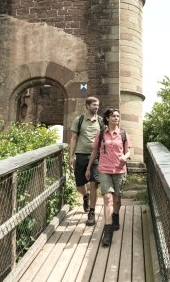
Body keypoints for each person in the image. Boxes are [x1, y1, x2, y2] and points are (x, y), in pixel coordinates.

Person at [85, 108, 131, 247]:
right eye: (113, 116)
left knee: (117, 199)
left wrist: (125, 157)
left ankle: (115, 216)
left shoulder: (123, 134)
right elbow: (94, 151)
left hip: (119, 170)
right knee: (107, 198)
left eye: (118, 116)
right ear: (107, 118)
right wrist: (88, 168)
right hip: (104, 170)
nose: (116, 118)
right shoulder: (101, 134)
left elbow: (128, 151)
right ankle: (108, 232)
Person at [68, 96, 102, 226]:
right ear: (87, 105)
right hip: (81, 155)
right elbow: (74, 138)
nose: (96, 107)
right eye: (94, 104)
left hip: (97, 157)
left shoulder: (100, 121)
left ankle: (92, 212)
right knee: (79, 184)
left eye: (97, 104)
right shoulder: (79, 120)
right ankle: (85, 196)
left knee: (94, 184)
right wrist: (71, 156)